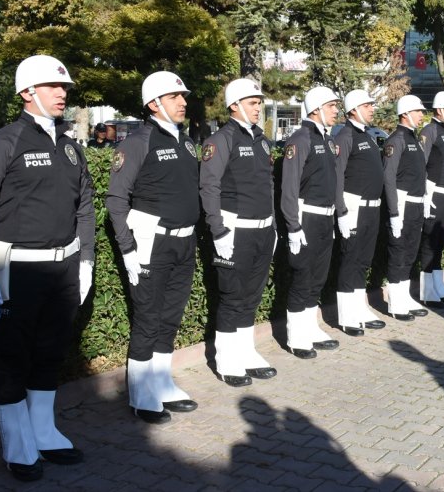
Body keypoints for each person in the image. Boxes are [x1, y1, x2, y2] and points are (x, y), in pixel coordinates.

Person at [0, 55, 94, 481]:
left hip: (64, 268)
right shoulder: (2, 143)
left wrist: (86, 257)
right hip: (16, 270)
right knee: (14, 358)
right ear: (27, 93)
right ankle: (18, 445)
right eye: (53, 87)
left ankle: (44, 431)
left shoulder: (71, 146)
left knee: (51, 353)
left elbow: (85, 204)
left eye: (65, 87)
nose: (62, 93)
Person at [106, 71, 199, 424]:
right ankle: (141, 394)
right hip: (150, 244)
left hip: (184, 242)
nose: (183, 102)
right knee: (147, 319)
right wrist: (128, 250)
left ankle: (161, 383)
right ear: (153, 103)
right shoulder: (137, 143)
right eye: (175, 96)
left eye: (182, 95)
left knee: (170, 317)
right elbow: (116, 200)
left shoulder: (187, 142)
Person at [199, 78, 276, 387]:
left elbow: (268, 185)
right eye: (252, 103)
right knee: (232, 296)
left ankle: (246, 352)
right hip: (234, 231)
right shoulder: (221, 140)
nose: (258, 108)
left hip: (262, 229)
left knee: (251, 296)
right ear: (234, 105)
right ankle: (227, 359)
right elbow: (209, 186)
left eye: (259, 103)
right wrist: (218, 231)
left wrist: (274, 227)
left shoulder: (262, 140)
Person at [280, 87, 341, 358]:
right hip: (307, 217)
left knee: (317, 277)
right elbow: (289, 187)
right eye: (331, 106)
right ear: (316, 108)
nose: (336, 111)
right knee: (302, 276)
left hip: (325, 217)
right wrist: (293, 225)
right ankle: (296, 336)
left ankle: (310, 327)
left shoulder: (328, 140)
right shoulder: (300, 139)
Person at [333, 89, 386, 336]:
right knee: (351, 261)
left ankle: (359, 308)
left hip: (371, 209)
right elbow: (337, 175)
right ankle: (346, 316)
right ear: (353, 109)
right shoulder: (345, 136)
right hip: (354, 208)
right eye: (367, 106)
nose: (372, 109)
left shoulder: (367, 135)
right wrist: (341, 211)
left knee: (363, 261)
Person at [382, 95, 429, 320]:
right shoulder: (396, 140)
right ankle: (395, 302)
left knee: (410, 252)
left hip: (416, 204)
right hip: (402, 204)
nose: (421, 115)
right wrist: (394, 212)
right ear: (406, 113)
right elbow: (389, 178)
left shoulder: (414, 138)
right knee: (398, 253)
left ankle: (404, 296)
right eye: (418, 111)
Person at [417, 91, 444, 308]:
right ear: (440, 109)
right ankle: (427, 291)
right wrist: (425, 195)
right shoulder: (429, 131)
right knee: (429, 243)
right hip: (435, 195)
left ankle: (438, 285)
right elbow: (421, 164)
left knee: (440, 243)